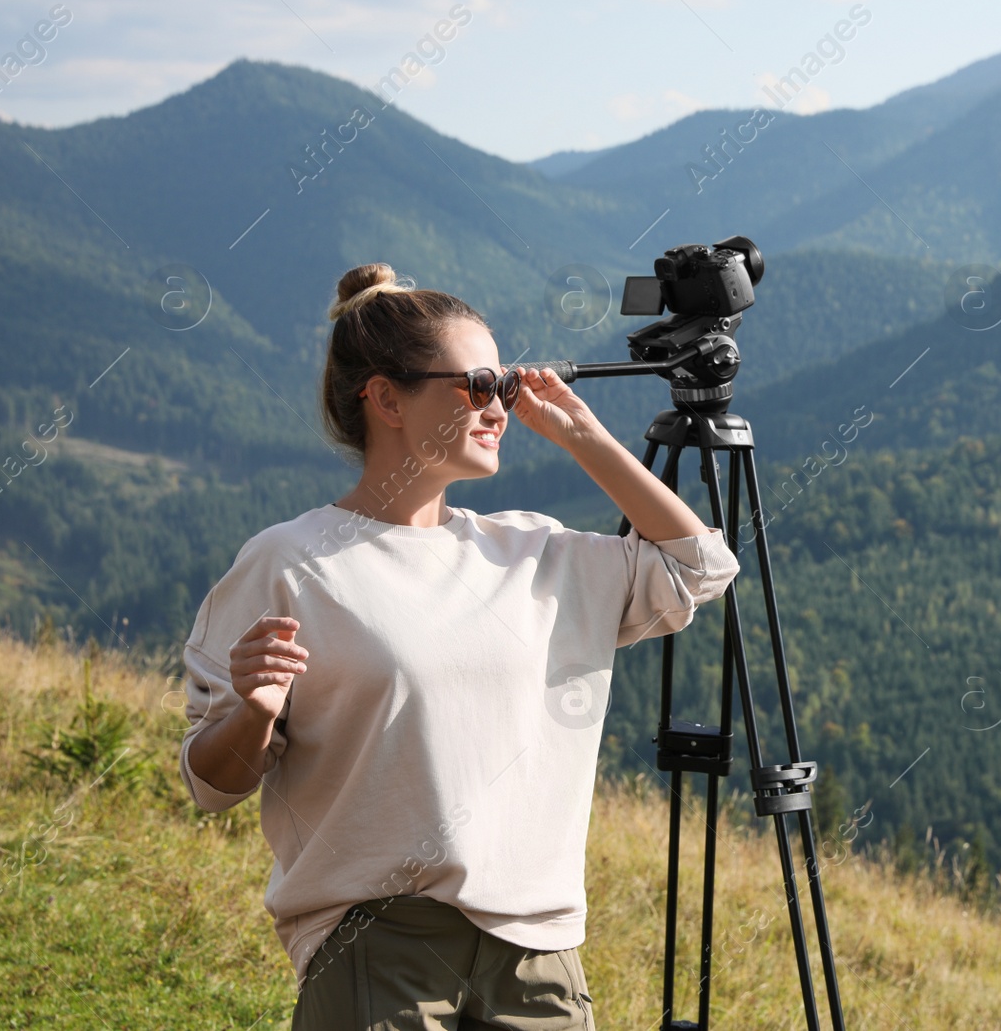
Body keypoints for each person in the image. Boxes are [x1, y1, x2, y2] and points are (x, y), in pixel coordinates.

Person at [178, 263, 740, 1030]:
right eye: (476, 384)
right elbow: (213, 783)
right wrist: (253, 713)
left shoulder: (534, 553)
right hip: (379, 946)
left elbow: (701, 566)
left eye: (505, 386)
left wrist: (584, 435)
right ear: (385, 399)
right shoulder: (290, 563)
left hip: (540, 955)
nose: (499, 406)